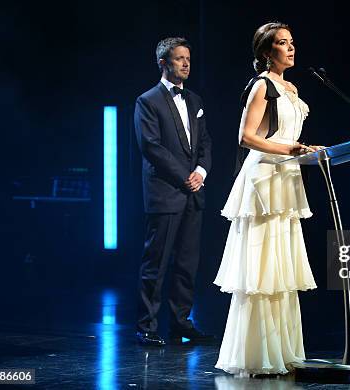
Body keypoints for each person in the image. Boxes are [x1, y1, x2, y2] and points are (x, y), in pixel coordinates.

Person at [214, 22, 321, 375]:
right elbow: (246, 137)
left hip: (286, 176)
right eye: (281, 43)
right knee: (263, 271)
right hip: (263, 181)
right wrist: (289, 147)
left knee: (281, 269)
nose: (290, 48)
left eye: (292, 42)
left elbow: (288, 136)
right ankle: (257, 355)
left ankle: (283, 351)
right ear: (265, 52)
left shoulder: (290, 87)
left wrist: (306, 150)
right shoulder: (262, 86)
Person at [134, 37, 213, 346]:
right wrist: (185, 177)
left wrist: (201, 172)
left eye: (188, 59)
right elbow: (151, 147)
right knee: (157, 262)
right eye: (179, 58)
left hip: (193, 193)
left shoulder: (195, 100)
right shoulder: (148, 100)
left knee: (186, 263)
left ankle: (180, 321)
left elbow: (205, 142)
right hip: (166, 192)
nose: (186, 63)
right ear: (163, 63)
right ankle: (146, 326)